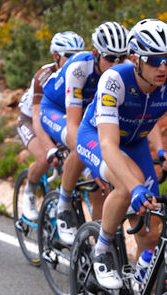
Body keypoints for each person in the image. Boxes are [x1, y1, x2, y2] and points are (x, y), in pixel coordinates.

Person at [84, 18, 167, 290]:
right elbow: (109, 146)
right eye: (153, 59)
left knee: (150, 233)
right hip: (97, 137)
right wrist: (135, 187)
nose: (163, 66)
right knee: (128, 187)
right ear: (135, 58)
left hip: (135, 144)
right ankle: (102, 247)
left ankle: (139, 286)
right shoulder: (114, 80)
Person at [41, 22, 128, 244]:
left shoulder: (124, 71)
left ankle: (93, 242)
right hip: (56, 109)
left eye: (122, 58)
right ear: (96, 53)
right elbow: (74, 128)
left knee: (100, 186)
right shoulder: (79, 68)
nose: (116, 64)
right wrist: (94, 166)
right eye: (110, 58)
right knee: (79, 148)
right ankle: (64, 202)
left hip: (88, 115)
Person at [15, 31, 85, 220]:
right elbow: (38, 117)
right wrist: (49, 149)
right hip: (31, 119)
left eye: (80, 55)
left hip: (59, 120)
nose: (76, 61)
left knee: (75, 163)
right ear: (56, 56)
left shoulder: (84, 72)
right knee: (45, 159)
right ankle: (29, 192)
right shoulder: (43, 76)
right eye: (70, 57)